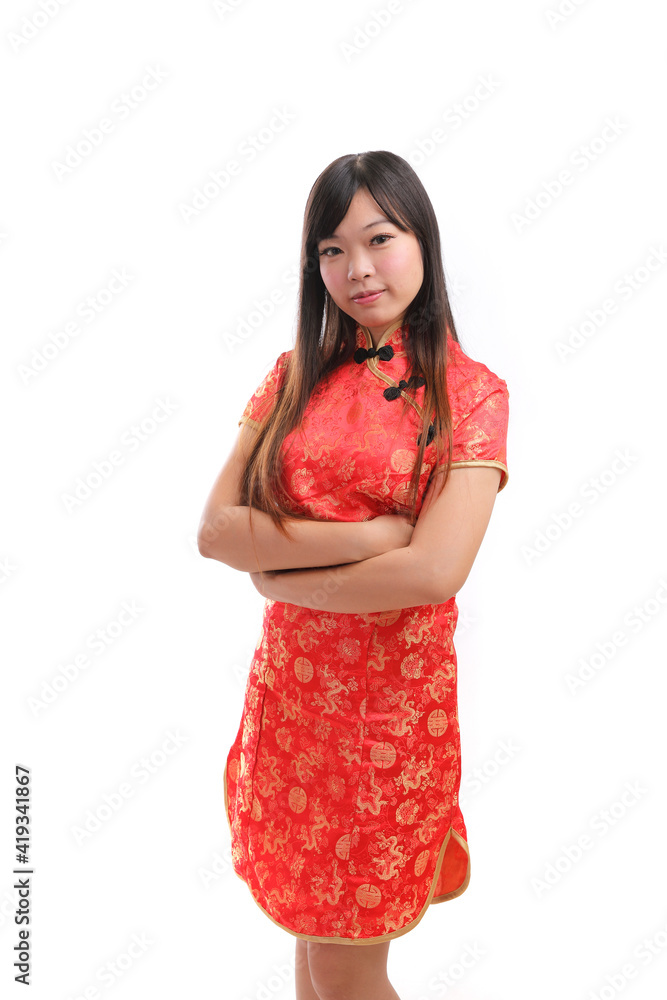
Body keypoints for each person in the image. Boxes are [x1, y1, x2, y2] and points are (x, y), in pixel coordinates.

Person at [198, 150, 510, 1000]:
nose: (357, 268)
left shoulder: (468, 394)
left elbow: (433, 570)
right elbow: (219, 532)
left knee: (343, 965)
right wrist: (373, 532)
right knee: (311, 948)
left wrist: (283, 577)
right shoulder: (294, 375)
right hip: (292, 703)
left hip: (386, 719)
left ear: (423, 242)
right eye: (331, 250)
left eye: (379, 238)